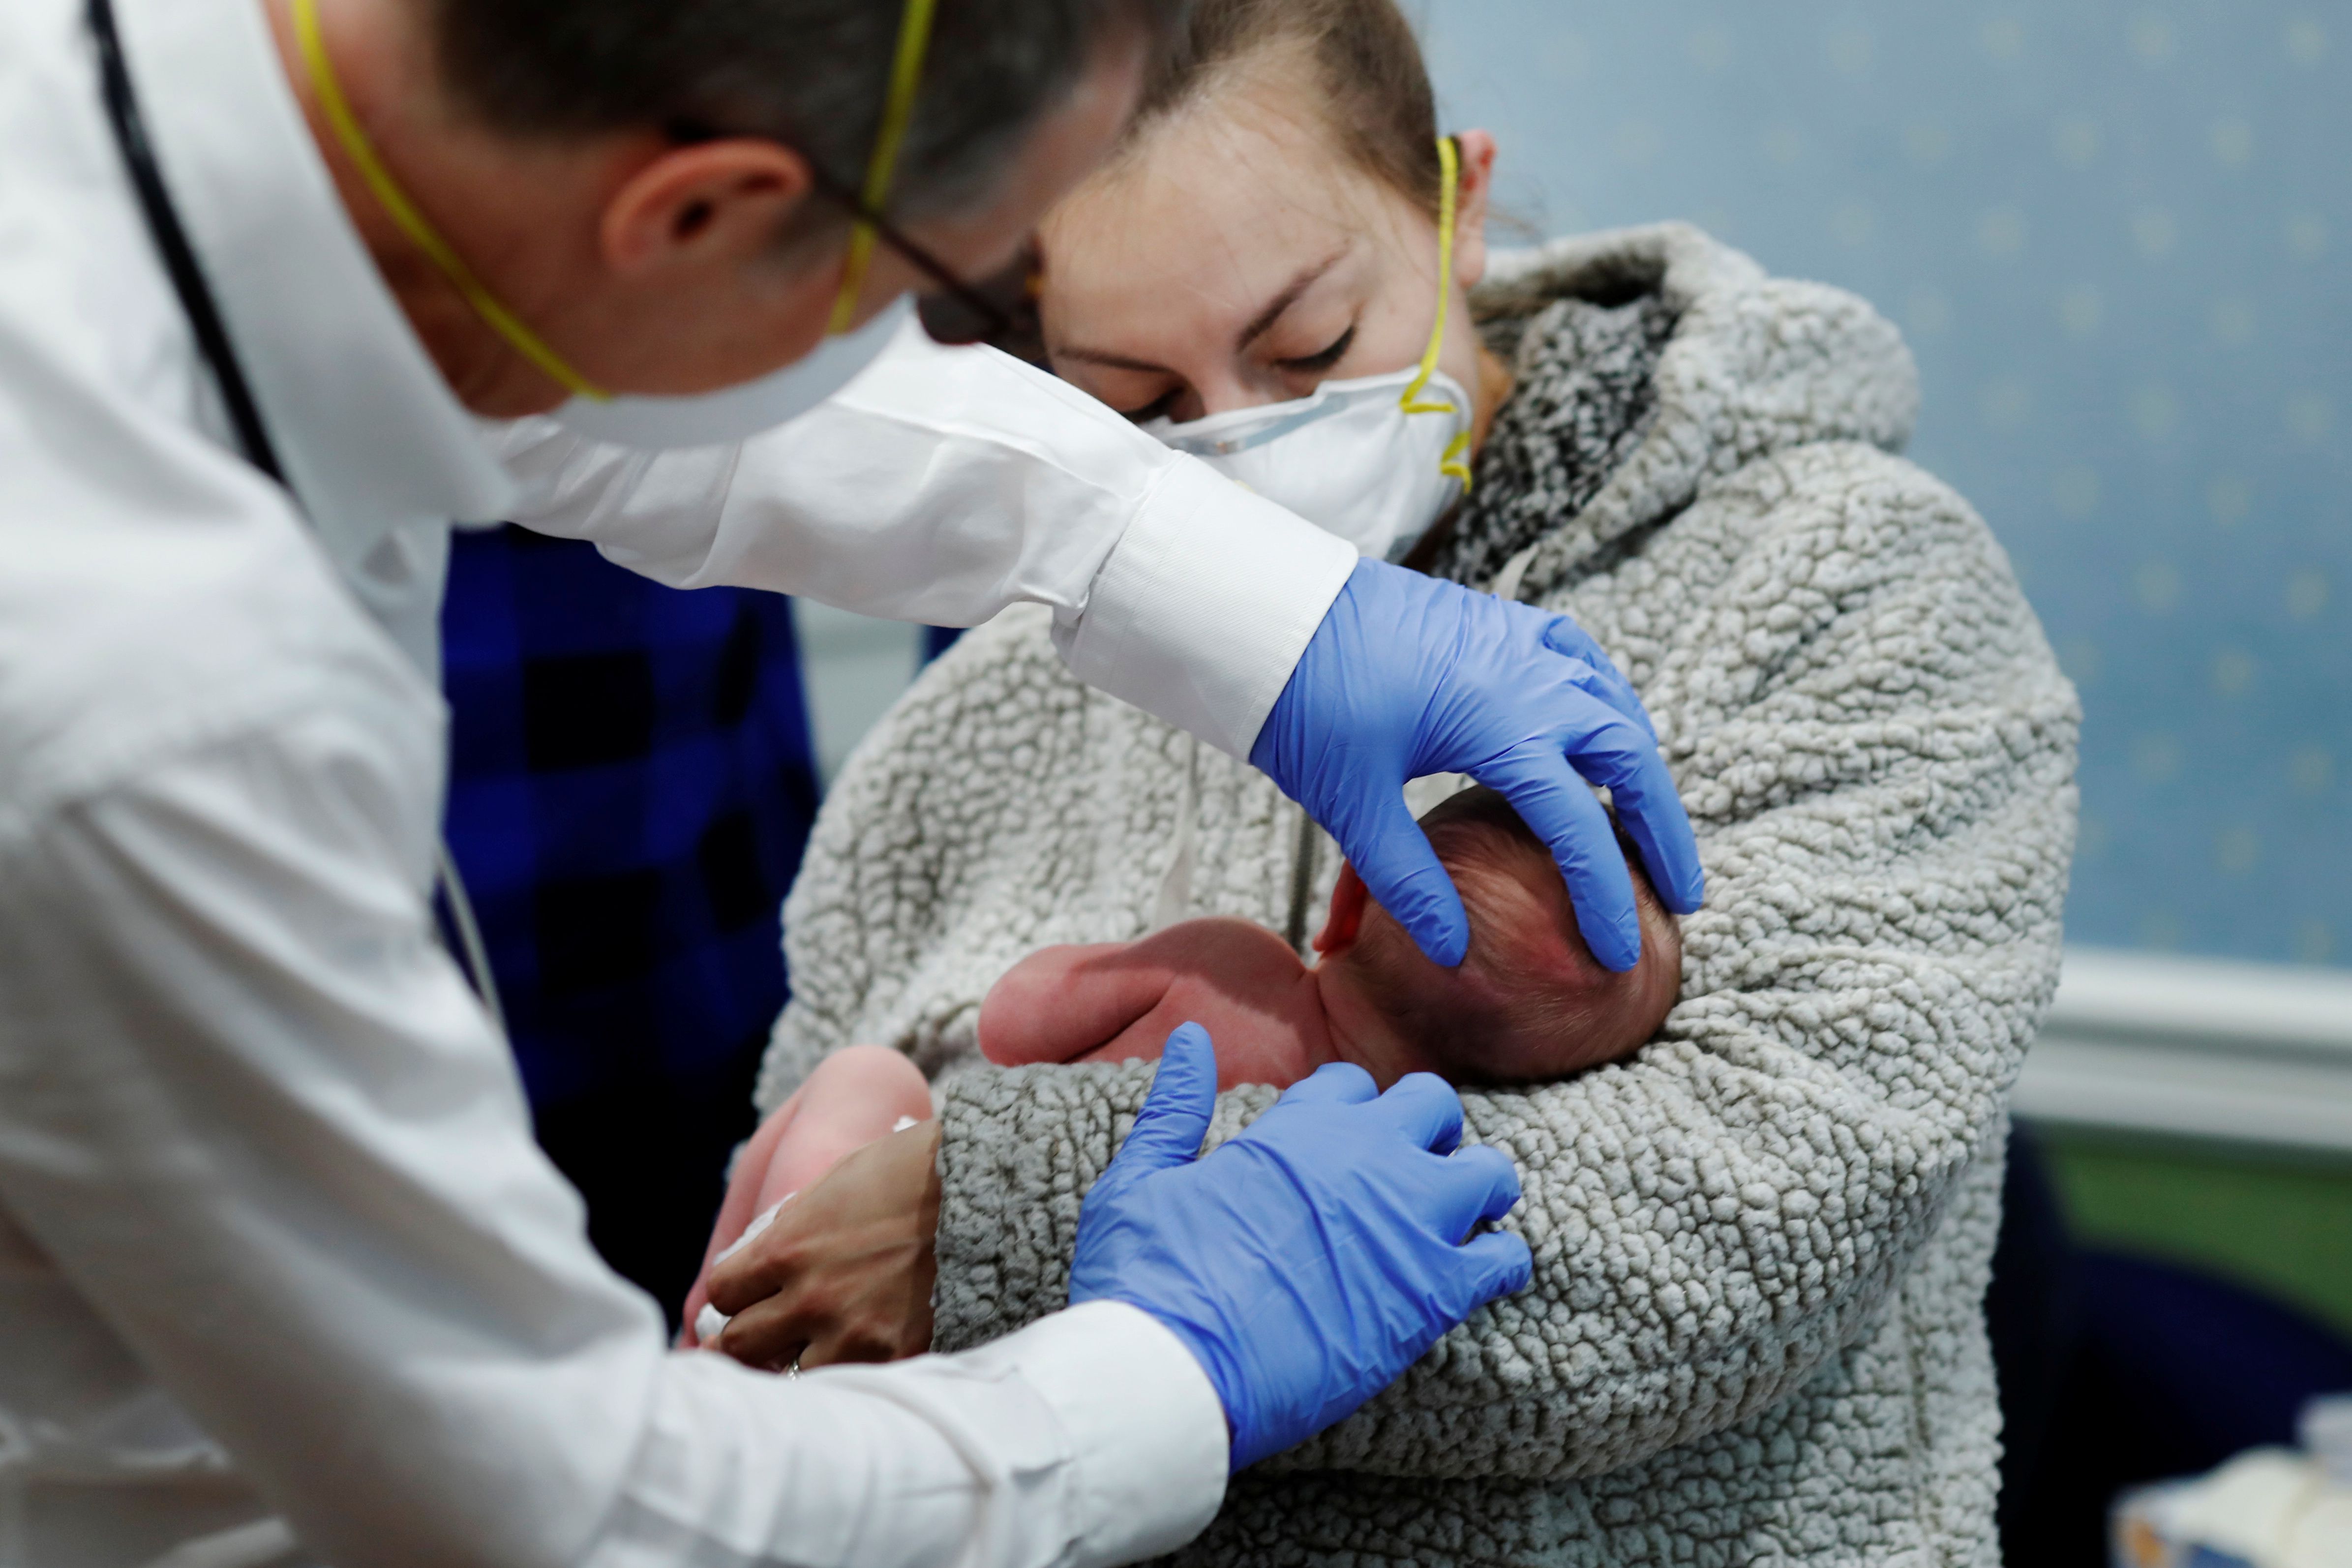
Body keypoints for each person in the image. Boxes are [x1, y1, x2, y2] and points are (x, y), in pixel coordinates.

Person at [0, 0, 1719, 1562]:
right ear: (692, 215)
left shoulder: (261, 130)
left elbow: (597, 393)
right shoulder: (139, 707)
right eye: (956, 310)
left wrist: (1251, 602)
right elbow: (562, 1506)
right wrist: (1155, 1374)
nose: (925, 372)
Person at [739, 0, 2080, 1563]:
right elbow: (795, 1284)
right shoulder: (987, 708)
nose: (1243, 441)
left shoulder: (1847, 582)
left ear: (1454, 200)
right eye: (1138, 403)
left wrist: (991, 1225)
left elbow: (1741, 1228)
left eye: (1308, 344)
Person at [682, 788, 1681, 1350]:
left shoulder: (1233, 969)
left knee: (865, 1077)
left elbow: (1009, 1024)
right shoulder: (1401, 1143)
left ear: (1342, 907)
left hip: (901, 1234)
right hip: (1045, 1358)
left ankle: (721, 1302)